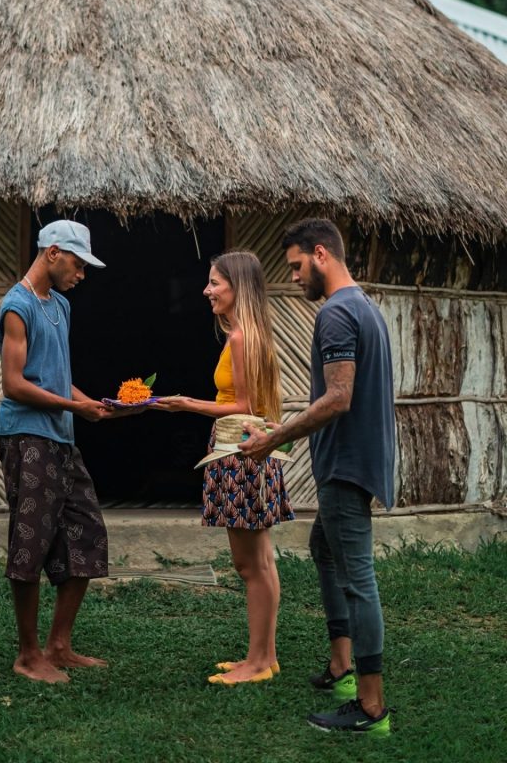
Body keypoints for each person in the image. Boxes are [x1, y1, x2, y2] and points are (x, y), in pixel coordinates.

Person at [240, 218, 394, 737]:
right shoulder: (366, 306)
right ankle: (341, 664)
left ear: (322, 254)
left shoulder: (335, 314)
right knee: (324, 550)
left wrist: (273, 437)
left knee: (357, 578)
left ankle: (370, 709)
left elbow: (338, 397)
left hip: (345, 463)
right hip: (360, 457)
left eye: (297, 266)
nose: (295, 278)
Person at [155, 250, 295, 685]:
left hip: (240, 453)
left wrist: (183, 403)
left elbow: (244, 406)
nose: (207, 290)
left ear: (237, 287)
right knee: (263, 561)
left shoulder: (240, 338)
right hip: (252, 452)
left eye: (215, 283)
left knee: (250, 565)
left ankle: (255, 664)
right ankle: (265, 657)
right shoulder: (253, 333)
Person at [0, 219, 113, 684]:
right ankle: (28, 654)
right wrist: (74, 407)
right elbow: (15, 384)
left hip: (60, 436)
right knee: (30, 542)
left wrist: (90, 404)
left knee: (87, 532)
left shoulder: (60, 305)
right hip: (26, 436)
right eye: (78, 263)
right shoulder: (16, 306)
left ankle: (58, 645)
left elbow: (55, 375)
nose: (81, 274)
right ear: (53, 253)